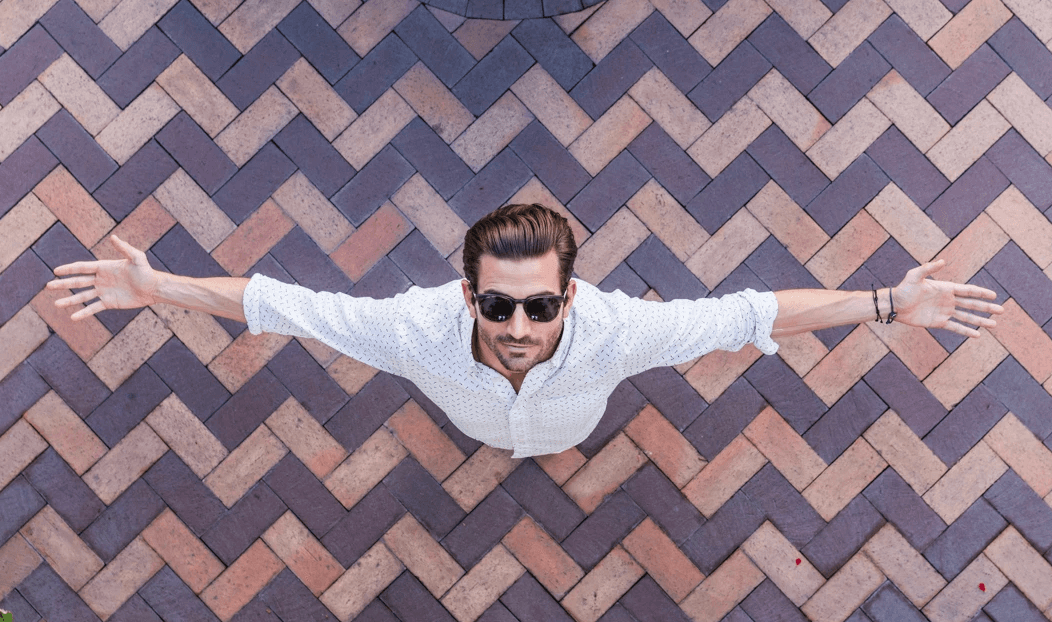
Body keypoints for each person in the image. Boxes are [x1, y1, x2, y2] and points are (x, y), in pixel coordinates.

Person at [48, 204, 1003, 458]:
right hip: (473, 423)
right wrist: (159, 287)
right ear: (467, 295)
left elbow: (753, 315)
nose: (517, 324)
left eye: (539, 305)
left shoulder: (617, 333)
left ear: (570, 297)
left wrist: (888, 303)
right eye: (497, 303)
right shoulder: (413, 330)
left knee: (563, 437)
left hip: (570, 425)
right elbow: (277, 305)